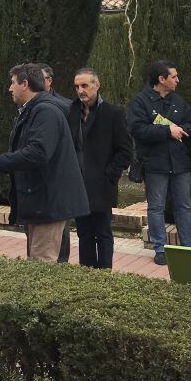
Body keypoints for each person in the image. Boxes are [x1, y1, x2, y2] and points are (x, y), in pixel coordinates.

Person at [0, 64, 89, 263]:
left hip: (48, 204)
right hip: (40, 203)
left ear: (25, 84)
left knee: (42, 265)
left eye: (13, 83)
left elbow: (38, 153)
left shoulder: (45, 111)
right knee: (37, 263)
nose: (10, 88)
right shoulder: (33, 110)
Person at [128, 60, 191, 266]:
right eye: (174, 76)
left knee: (184, 206)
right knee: (156, 207)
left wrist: (185, 130)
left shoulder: (179, 101)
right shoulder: (140, 102)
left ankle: (188, 247)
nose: (178, 80)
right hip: (155, 164)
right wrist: (167, 131)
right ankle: (160, 248)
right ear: (161, 79)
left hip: (180, 163)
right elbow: (137, 129)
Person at [68, 68, 134, 268]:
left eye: (85, 85)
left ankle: (104, 275)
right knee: (84, 233)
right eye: (77, 86)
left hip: (101, 185)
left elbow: (125, 151)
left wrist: (109, 175)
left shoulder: (113, 113)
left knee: (103, 233)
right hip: (78, 185)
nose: (81, 90)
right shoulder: (71, 111)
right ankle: (87, 274)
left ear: (97, 85)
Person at [36, 62, 77, 263]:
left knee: (60, 227)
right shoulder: (27, 106)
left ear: (49, 81)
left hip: (58, 177)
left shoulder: (65, 106)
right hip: (36, 183)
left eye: (39, 78)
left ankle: (62, 264)